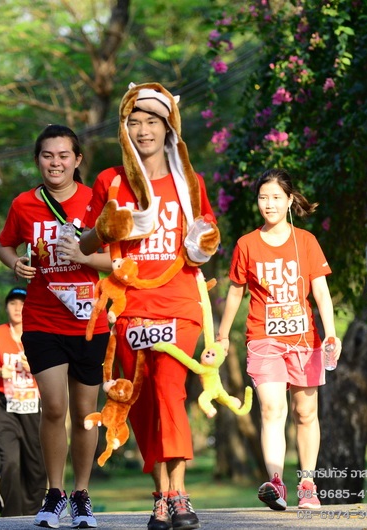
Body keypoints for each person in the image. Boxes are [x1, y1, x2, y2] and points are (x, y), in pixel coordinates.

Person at [80, 82, 220, 530]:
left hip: (179, 302)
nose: (144, 130)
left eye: (152, 122)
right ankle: (159, 494)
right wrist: (108, 228)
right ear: (125, 130)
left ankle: (179, 493)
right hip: (130, 307)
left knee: (168, 389)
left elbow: (206, 241)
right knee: (140, 400)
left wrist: (202, 243)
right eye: (135, 122)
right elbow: (85, 245)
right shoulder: (110, 181)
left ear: (168, 127)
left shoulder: (189, 182)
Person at [0, 124, 112, 529]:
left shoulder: (97, 202)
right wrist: (15, 263)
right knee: (55, 406)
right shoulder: (24, 204)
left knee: (84, 413)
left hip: (90, 321)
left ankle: (81, 495)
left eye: (64, 155)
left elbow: (117, 259)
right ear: (37, 160)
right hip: (42, 319)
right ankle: (55, 492)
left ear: (77, 159)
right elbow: (4, 244)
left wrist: (84, 258)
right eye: (48, 156)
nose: (56, 163)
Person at [216, 168, 340, 511]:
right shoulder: (247, 244)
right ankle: (276, 483)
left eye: (275, 197)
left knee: (305, 412)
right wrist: (223, 335)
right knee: (272, 409)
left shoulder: (307, 241)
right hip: (263, 338)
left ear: (289, 200)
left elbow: (321, 292)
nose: (268, 204)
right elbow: (235, 293)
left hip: (305, 340)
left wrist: (330, 332)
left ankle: (307, 485)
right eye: (263, 198)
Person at [0, 287, 46, 516]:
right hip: (4, 405)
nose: (18, 308)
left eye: (22, 303)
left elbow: (54, 368)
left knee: (36, 465)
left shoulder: (40, 333)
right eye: (13, 303)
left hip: (33, 406)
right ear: (6, 307)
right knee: (10, 462)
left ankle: (34, 514)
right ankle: (10, 515)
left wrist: (35, 365)